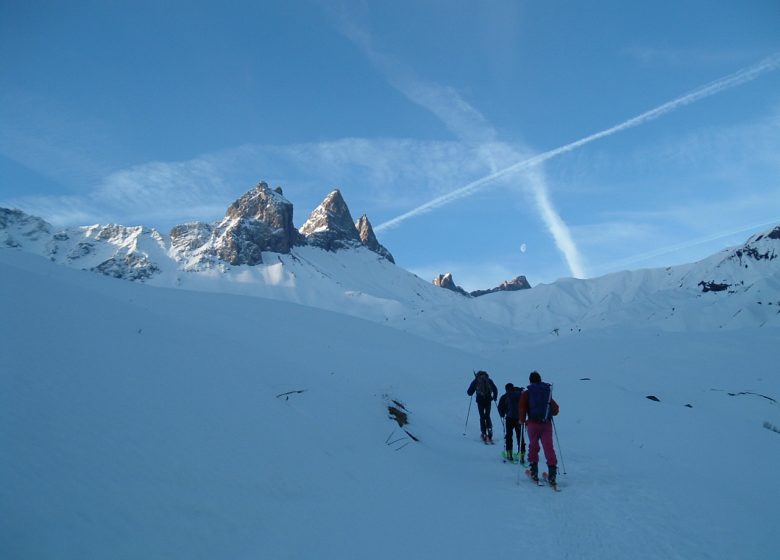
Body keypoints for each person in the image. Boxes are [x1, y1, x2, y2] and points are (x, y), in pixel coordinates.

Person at [519, 371, 559, 484]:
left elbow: (522, 408)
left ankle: (534, 471)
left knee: (533, 446)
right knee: (548, 447)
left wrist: (522, 420)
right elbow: (555, 409)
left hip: (532, 424)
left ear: (530, 381)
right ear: (540, 379)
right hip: (546, 424)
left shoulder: (527, 393)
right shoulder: (546, 391)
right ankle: (552, 474)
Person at [466, 370, 498, 442]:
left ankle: (483, 432)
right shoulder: (489, 380)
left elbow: (469, 392)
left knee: (482, 416)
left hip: (480, 401)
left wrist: (472, 392)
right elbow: (495, 389)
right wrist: (495, 397)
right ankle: (489, 429)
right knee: (487, 415)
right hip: (488, 400)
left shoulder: (476, 380)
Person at [498, 383, 525, 462]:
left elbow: (500, 407)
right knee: (520, 436)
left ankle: (509, 454)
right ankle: (522, 455)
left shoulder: (505, 396)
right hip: (519, 418)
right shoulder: (520, 394)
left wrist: (502, 414)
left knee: (509, 436)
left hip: (509, 418)